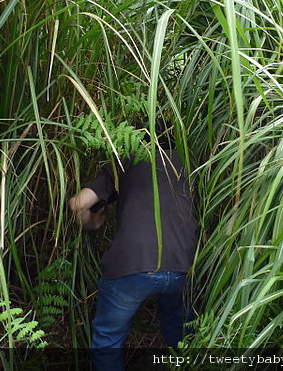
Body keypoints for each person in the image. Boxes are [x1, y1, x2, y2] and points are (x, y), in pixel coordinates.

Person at [68, 122, 198, 371]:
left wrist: (93, 223)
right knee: (181, 333)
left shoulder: (124, 159)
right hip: (184, 263)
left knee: (108, 337)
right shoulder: (191, 165)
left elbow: (78, 205)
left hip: (130, 264)